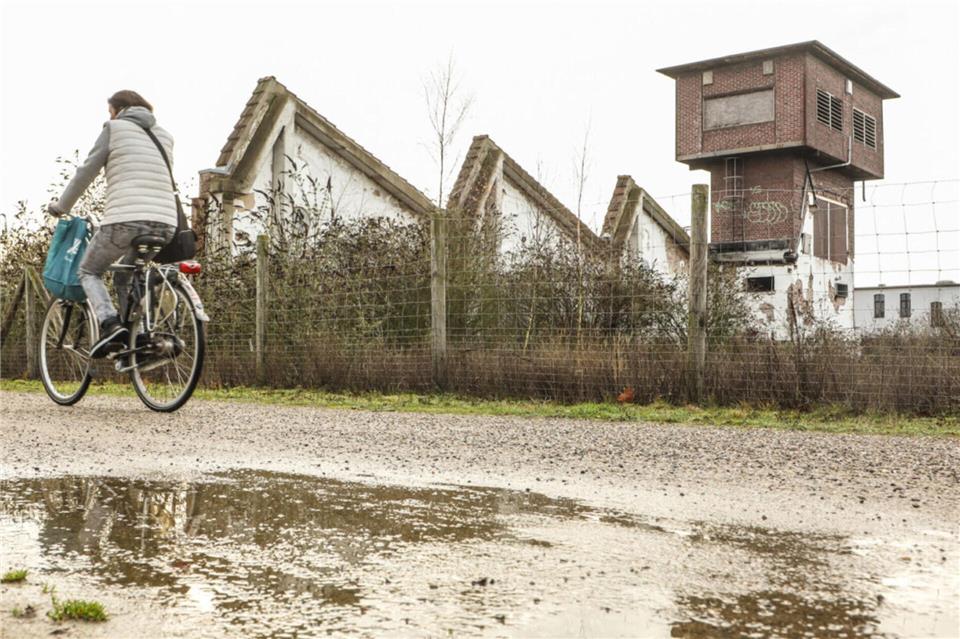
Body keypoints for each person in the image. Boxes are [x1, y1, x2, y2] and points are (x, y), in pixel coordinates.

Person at [47, 90, 178, 358]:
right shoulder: (165, 136)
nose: (108, 117)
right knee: (125, 275)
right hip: (166, 222)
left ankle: (110, 324)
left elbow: (86, 171)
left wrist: (61, 207)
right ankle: (139, 338)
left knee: (89, 271)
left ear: (118, 110)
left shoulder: (114, 128)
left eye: (109, 112)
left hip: (125, 219)